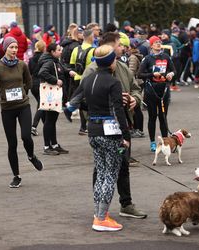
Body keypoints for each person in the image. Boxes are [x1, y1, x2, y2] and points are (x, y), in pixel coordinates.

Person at [65, 32, 147, 219]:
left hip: (114, 126)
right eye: (119, 45)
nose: (123, 48)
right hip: (112, 129)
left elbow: (135, 88)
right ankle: (101, 214)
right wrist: (121, 132)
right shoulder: (92, 72)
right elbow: (84, 101)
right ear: (109, 48)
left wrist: (134, 99)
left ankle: (123, 205)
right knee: (105, 172)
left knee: (121, 167)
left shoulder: (122, 67)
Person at [81, 44, 130, 231]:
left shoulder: (88, 80)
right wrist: (125, 136)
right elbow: (118, 111)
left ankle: (98, 213)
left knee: (101, 173)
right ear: (111, 62)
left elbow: (82, 103)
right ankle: (101, 218)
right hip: (110, 133)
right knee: (110, 174)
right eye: (115, 58)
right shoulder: (113, 83)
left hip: (93, 132)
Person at [0, 37, 44, 188]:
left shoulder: (22, 64)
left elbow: (29, 81)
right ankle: (16, 176)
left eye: (16, 47)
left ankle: (31, 156)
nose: (14, 50)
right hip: (7, 108)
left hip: (23, 105)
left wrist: (22, 93)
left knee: (26, 137)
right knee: (12, 143)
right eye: (11, 47)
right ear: (5, 49)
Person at [138, 36, 176, 152]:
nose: (158, 44)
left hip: (164, 91)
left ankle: (165, 142)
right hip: (151, 92)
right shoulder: (147, 59)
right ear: (151, 45)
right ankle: (153, 142)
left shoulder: (166, 57)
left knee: (163, 117)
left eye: (160, 42)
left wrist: (171, 74)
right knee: (152, 117)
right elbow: (140, 74)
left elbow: (174, 70)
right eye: (156, 42)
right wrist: (152, 75)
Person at [38, 43, 76, 155]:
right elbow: (42, 73)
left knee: (52, 121)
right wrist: (55, 80)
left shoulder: (55, 61)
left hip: (55, 95)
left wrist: (68, 71)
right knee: (49, 121)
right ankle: (46, 147)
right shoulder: (49, 62)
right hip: (51, 95)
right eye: (59, 50)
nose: (61, 51)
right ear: (52, 52)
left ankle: (54, 145)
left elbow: (61, 68)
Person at [69, 29, 95, 135]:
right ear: (89, 37)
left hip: (77, 79)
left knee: (81, 102)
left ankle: (83, 127)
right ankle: (90, 125)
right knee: (90, 102)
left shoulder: (76, 49)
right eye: (93, 36)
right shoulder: (93, 50)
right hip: (89, 79)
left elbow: (72, 64)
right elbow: (95, 66)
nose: (94, 38)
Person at [28, 40, 46, 136]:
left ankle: (46, 126)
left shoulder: (31, 59)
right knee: (41, 106)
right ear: (43, 48)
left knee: (40, 104)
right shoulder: (44, 58)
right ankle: (33, 127)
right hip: (41, 83)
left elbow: (29, 71)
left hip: (33, 84)